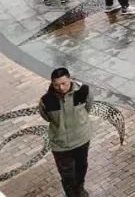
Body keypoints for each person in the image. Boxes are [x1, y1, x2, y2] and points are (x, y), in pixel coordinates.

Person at [39, 67, 93, 197]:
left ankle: (80, 189)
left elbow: (88, 107)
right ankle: (71, 194)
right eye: (56, 85)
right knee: (67, 175)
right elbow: (46, 117)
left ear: (70, 79)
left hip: (81, 140)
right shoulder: (46, 100)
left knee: (81, 167)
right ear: (52, 84)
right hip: (61, 145)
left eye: (64, 83)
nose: (61, 88)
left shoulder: (83, 91)